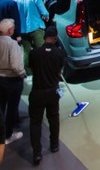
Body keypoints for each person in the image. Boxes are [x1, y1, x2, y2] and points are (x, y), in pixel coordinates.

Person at [28, 25, 65, 166]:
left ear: (44, 37)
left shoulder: (34, 53)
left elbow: (32, 68)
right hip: (52, 92)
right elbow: (59, 71)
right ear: (55, 38)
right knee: (54, 118)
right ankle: (54, 145)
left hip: (37, 92)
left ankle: (36, 153)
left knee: (35, 122)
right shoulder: (59, 53)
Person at [14, 0, 47, 75]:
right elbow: (44, 12)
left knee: (26, 51)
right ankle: (42, 70)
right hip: (36, 27)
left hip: (22, 30)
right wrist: (47, 16)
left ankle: (28, 72)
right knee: (41, 51)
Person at [0, 18, 24, 146]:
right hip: (12, 80)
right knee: (12, 108)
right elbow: (16, 65)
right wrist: (22, 74)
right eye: (14, 28)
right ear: (10, 30)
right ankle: (8, 135)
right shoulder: (12, 44)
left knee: (1, 107)